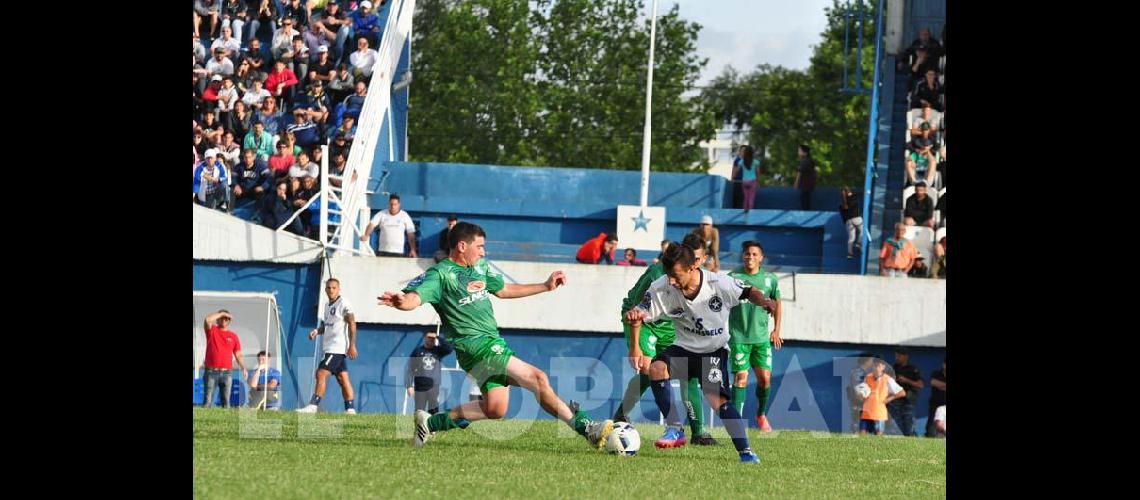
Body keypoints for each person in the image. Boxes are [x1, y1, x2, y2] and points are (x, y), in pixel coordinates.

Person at [380, 222, 616, 449]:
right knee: (538, 378)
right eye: (480, 246)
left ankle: (429, 423)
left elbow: (503, 290)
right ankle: (587, 429)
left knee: (495, 409)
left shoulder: (479, 269)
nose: (483, 252)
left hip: (489, 344)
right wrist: (402, 302)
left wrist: (545, 286)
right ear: (463, 246)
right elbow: (414, 298)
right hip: (477, 347)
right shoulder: (440, 274)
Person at [624, 243, 777, 463]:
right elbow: (639, 314)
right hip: (683, 348)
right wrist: (634, 345)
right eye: (669, 276)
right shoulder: (662, 287)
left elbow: (748, 291)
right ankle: (675, 428)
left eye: (676, 276)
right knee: (656, 368)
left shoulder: (717, 283)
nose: (672, 281)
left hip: (713, 352)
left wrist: (764, 302)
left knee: (717, 402)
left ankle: (746, 452)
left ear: (691, 267)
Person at [613, 234, 718, 446]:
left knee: (688, 372)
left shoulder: (700, 278)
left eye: (700, 261)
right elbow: (635, 311)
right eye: (693, 261)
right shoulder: (658, 274)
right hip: (645, 323)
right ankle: (657, 422)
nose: (696, 267)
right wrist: (635, 347)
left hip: (670, 325)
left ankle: (699, 432)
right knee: (647, 368)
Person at [727, 240, 782, 432]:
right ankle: (736, 423)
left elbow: (777, 303)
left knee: (765, 380)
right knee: (740, 377)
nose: (750, 257)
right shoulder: (733, 277)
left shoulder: (770, 279)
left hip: (760, 339)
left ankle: (761, 414)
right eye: (747, 254)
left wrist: (776, 330)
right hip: (739, 338)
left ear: (761, 258)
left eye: (754, 254)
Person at [297, 278, 359, 414]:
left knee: (320, 373)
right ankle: (350, 409)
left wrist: (352, 345)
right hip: (330, 348)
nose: (331, 290)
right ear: (325, 289)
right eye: (329, 288)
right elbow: (328, 325)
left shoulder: (343, 303)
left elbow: (352, 323)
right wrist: (317, 331)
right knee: (343, 378)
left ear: (339, 289)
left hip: (336, 348)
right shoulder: (327, 305)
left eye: (334, 288)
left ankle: (313, 406)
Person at [199, 310, 247, 408]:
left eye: (226, 318)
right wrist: (221, 313)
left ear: (229, 321)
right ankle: (204, 421)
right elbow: (207, 320)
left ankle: (225, 422)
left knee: (226, 402)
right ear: (217, 319)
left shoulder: (233, 336)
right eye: (221, 318)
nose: (224, 320)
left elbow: (238, 354)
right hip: (211, 371)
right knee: (207, 401)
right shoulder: (212, 330)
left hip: (227, 372)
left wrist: (243, 367)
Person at [404, 331, 455, 415]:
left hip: (434, 386)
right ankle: (420, 427)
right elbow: (410, 369)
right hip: (420, 386)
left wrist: (438, 337)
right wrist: (409, 385)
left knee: (433, 411)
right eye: (429, 337)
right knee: (419, 411)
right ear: (425, 338)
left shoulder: (438, 351)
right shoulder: (418, 351)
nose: (431, 340)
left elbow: (449, 349)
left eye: (433, 338)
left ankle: (432, 427)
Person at [858, 357, 905, 436]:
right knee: (862, 434)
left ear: (883, 367)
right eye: (875, 366)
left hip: (879, 412)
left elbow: (902, 392)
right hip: (866, 411)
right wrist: (860, 395)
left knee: (878, 435)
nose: (876, 368)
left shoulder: (887, 379)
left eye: (878, 366)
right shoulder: (868, 377)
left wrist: (889, 399)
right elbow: (862, 392)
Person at [888, 347, 923, 436]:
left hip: (908, 400)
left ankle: (911, 439)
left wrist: (906, 380)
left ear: (906, 357)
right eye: (896, 356)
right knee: (896, 424)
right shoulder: (893, 368)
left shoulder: (913, 369)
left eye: (899, 356)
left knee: (908, 425)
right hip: (895, 400)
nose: (897, 358)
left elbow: (920, 385)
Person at [847, 353, 875, 433]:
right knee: (858, 424)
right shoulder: (858, 372)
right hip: (859, 403)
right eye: (871, 360)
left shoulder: (867, 372)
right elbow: (859, 389)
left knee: (865, 425)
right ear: (866, 361)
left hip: (865, 403)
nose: (872, 363)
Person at [732, 145, 761, 212]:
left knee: (746, 197)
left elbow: (736, 170)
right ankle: (750, 210)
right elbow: (758, 173)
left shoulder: (741, 161)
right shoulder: (755, 162)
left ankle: (745, 209)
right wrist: (758, 182)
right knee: (751, 197)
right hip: (752, 181)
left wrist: (733, 177)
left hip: (744, 181)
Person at [840, 187, 863, 258]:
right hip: (857, 218)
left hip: (848, 221)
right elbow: (860, 194)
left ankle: (850, 254)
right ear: (850, 192)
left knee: (851, 238)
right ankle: (859, 243)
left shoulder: (842, 204)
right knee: (862, 231)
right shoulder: (854, 197)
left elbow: (843, 215)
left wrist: (846, 222)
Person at [926, 358, 946, 437]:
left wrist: (941, 386)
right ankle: (930, 437)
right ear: (943, 364)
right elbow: (933, 382)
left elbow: (938, 384)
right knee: (931, 425)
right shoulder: (937, 373)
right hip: (936, 404)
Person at [793, 144, 816, 210]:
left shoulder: (805, 161)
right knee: (806, 201)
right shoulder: (810, 161)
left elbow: (799, 173)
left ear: (805, 153)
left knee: (804, 202)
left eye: (800, 151)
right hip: (808, 186)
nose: (798, 153)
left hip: (805, 186)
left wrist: (796, 183)